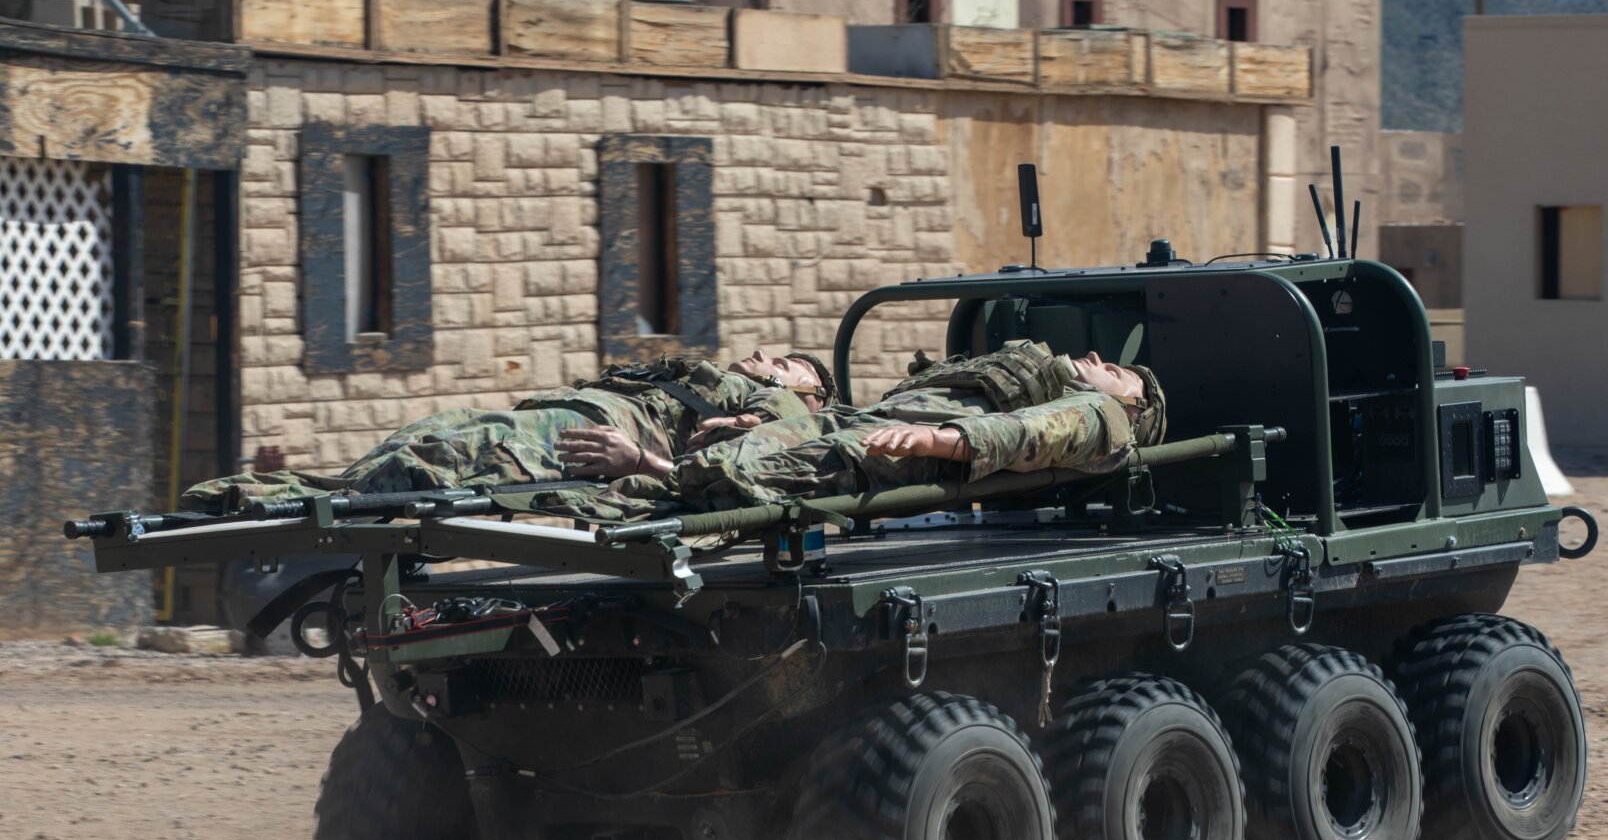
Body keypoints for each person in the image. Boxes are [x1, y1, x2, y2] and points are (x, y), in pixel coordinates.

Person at [179, 350, 837, 513]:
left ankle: (263, 500)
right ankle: (280, 493)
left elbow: (759, 455)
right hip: (571, 412)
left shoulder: (794, 411)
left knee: (440, 460)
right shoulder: (724, 381)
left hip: (596, 434)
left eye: (786, 365)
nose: (766, 357)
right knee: (427, 435)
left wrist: (644, 460)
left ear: (806, 393)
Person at [624, 342, 1166, 513]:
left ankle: (645, 489)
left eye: (1117, 372)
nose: (1098, 358)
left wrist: (936, 440)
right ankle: (650, 477)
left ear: (1134, 407)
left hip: (904, 447)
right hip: (872, 422)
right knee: (731, 453)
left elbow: (1031, 434)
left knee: (757, 480)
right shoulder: (1049, 382)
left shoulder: (1105, 416)